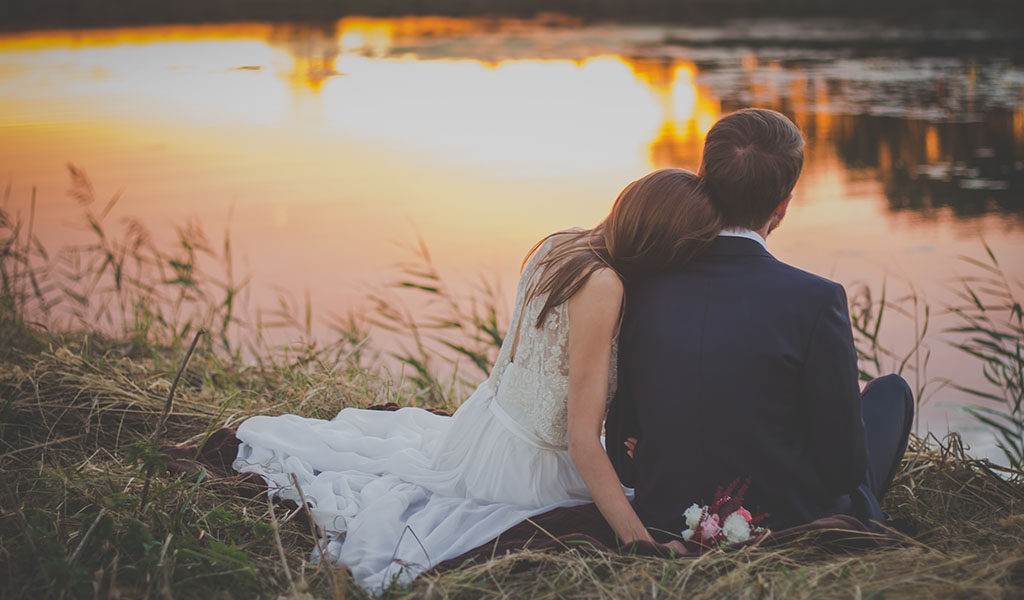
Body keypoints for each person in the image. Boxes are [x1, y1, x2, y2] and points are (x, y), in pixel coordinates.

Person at [232, 168, 721, 592]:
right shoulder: (604, 285)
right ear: (665, 245)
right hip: (525, 467)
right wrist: (639, 544)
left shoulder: (564, 243)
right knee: (634, 510)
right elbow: (579, 439)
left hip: (483, 426)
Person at [606, 108, 915, 540]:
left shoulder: (638, 288)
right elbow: (842, 470)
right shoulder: (816, 299)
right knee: (891, 393)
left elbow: (622, 452)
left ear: (702, 179)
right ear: (783, 205)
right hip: (782, 516)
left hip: (666, 513)